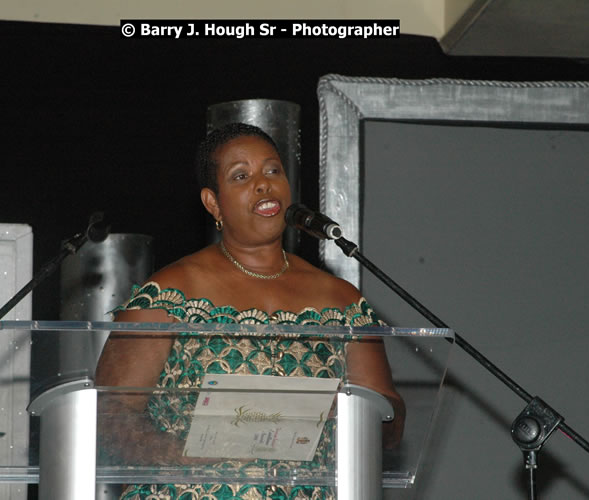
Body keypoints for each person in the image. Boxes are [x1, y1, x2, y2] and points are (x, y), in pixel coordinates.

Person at [95, 122, 405, 499]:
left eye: (273, 170)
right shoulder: (169, 294)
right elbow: (109, 415)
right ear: (214, 203)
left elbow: (389, 420)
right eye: (241, 175)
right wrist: (184, 462)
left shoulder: (340, 300)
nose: (263, 184)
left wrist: (349, 410)